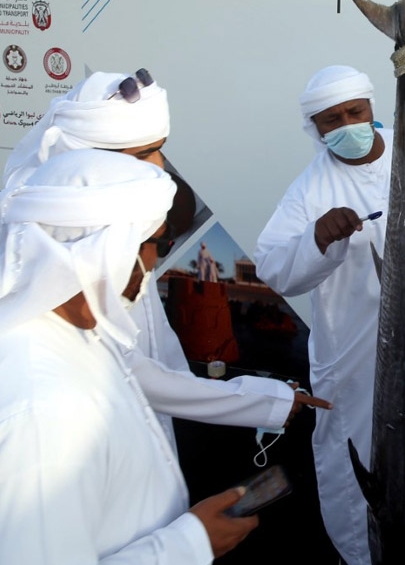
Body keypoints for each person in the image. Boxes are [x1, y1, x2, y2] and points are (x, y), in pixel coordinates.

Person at [2, 70, 330, 452]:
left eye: (160, 148)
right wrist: (261, 401)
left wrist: (261, 398)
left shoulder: (117, 241)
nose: (159, 164)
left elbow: (158, 356)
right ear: (87, 157)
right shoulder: (65, 253)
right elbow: (127, 370)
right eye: (143, 153)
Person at [254, 65, 405, 565]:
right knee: (354, 465)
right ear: (315, 129)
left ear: (371, 110)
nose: (345, 125)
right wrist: (317, 238)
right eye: (330, 120)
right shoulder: (310, 189)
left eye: (353, 112)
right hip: (353, 351)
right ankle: (360, 556)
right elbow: (276, 269)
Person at [0, 149, 258, 563]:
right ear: (110, 249)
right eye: (157, 242)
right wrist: (191, 544)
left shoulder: (76, 332)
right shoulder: (42, 407)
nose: (157, 260)